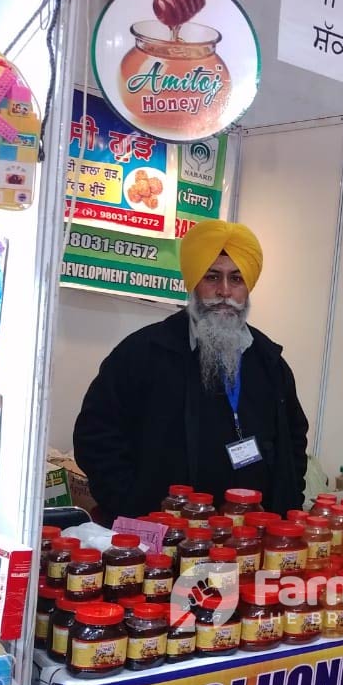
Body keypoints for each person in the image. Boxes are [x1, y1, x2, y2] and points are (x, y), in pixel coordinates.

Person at [74, 219, 309, 522]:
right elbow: (96, 437)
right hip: (163, 532)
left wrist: (286, 505)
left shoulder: (269, 361)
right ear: (194, 281)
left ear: (247, 287)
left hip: (250, 534)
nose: (224, 291)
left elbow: (293, 441)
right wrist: (133, 506)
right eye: (212, 277)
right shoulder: (142, 353)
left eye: (236, 279)